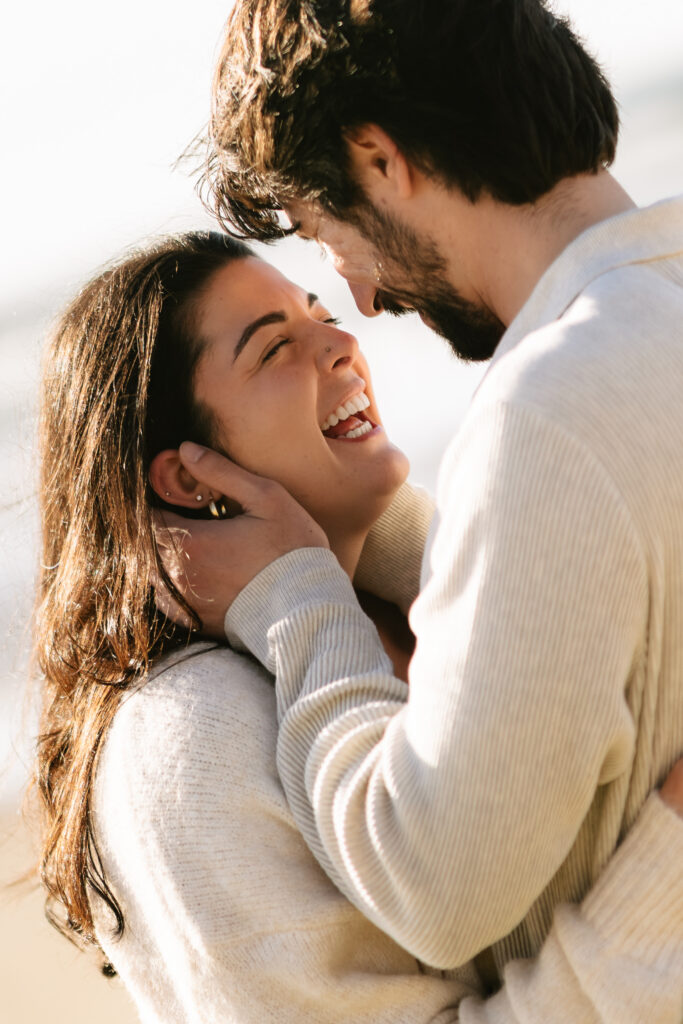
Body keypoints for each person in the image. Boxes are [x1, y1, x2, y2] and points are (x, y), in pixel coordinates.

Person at [152, 0, 683, 1016]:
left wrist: (296, 597)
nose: (358, 295)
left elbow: (435, 888)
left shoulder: (551, 411)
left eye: (325, 234)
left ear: (379, 160)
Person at [34, 231, 683, 1023]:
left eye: (319, 314)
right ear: (186, 473)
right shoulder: (183, 739)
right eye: (275, 348)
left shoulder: (425, 609)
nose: (342, 342)